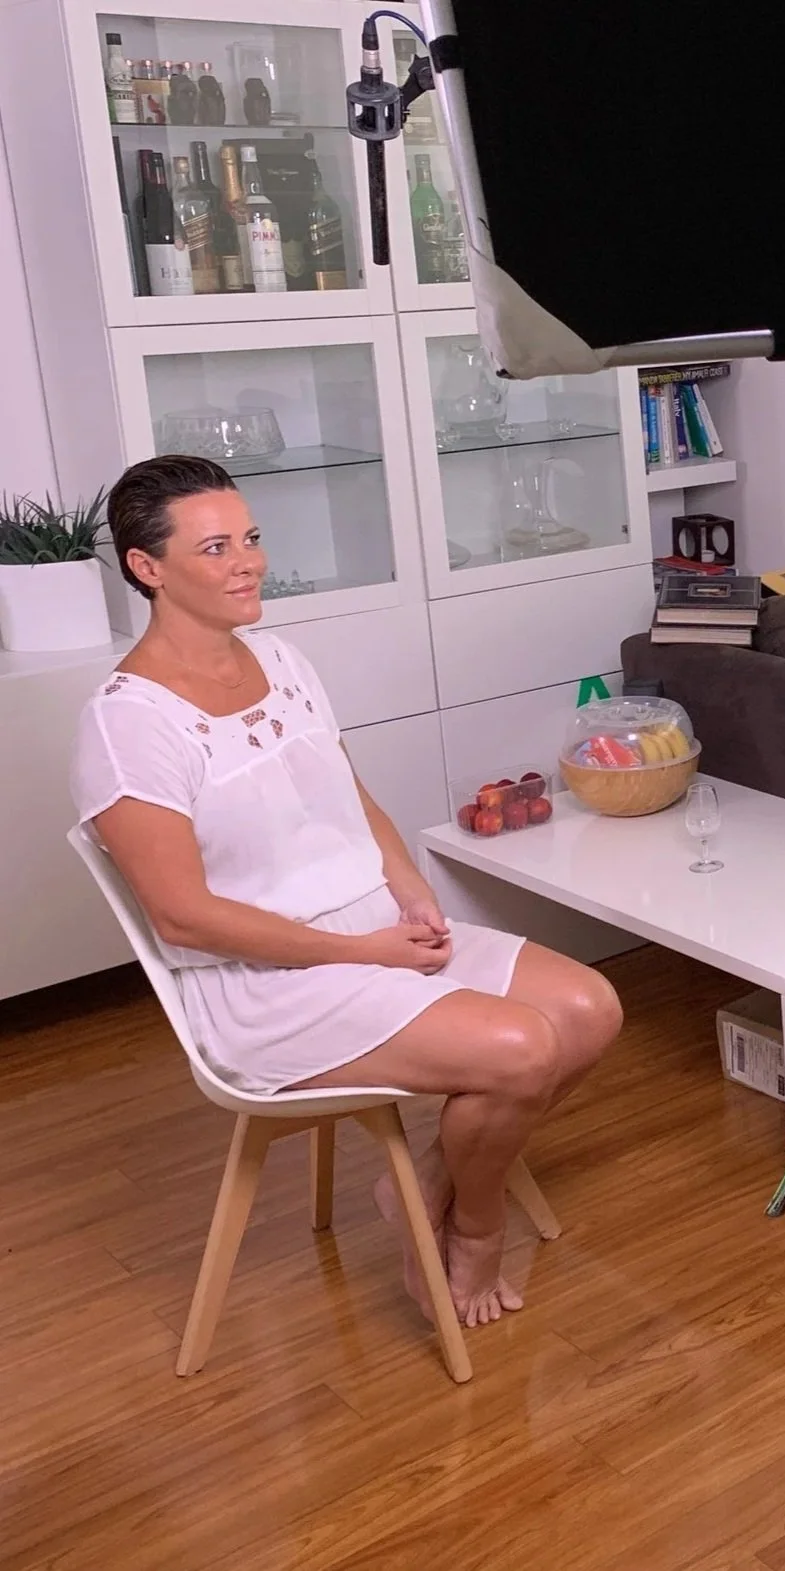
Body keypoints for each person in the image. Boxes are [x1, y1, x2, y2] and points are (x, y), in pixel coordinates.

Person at [71, 455, 622, 1329]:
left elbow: (344, 790)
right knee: (521, 1047)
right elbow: (184, 914)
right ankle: (472, 1228)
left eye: (249, 538)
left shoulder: (281, 657)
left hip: (375, 930)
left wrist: (409, 890)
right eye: (215, 547)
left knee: (590, 1008)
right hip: (267, 982)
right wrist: (363, 951)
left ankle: (433, 1179)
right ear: (148, 567)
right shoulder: (127, 722)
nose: (247, 561)